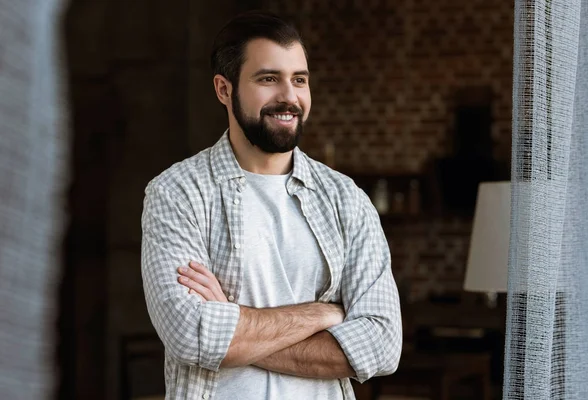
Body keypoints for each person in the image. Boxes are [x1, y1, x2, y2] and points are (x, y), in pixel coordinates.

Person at [141, 11, 402, 400]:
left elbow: (381, 346)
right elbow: (191, 335)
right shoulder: (178, 193)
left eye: (299, 80)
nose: (289, 96)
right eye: (268, 79)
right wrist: (324, 314)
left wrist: (236, 329)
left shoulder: (346, 200)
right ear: (224, 89)